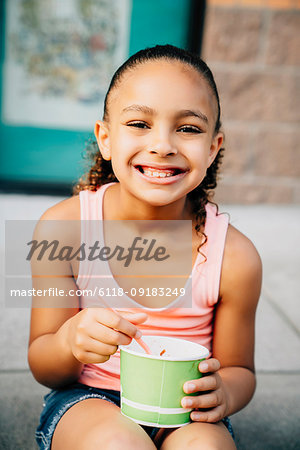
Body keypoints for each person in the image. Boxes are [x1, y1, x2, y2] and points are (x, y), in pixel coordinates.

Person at [28, 44, 262, 450]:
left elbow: (240, 368)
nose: (163, 145)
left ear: (212, 146)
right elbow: (44, 365)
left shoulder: (235, 258)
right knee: (118, 444)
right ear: (105, 138)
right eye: (139, 123)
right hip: (88, 400)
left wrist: (224, 391)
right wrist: (69, 342)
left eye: (188, 128)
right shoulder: (63, 230)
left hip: (185, 411)